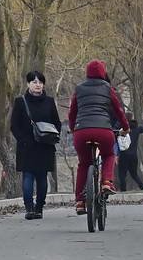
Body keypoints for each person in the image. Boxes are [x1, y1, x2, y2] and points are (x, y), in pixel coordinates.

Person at [68, 60, 129, 215]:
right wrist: (126, 127)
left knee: (84, 164)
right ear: (103, 72)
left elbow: (72, 112)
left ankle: (80, 201)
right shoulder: (107, 88)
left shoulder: (79, 89)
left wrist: (73, 129)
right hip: (103, 130)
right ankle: (107, 182)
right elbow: (119, 110)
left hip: (82, 131)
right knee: (109, 154)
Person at [9, 71, 61, 220]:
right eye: (34, 82)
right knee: (28, 177)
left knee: (42, 177)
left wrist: (53, 137)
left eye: (40, 82)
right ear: (28, 84)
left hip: (45, 145)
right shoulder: (21, 101)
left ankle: (39, 208)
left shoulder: (49, 101)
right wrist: (22, 140)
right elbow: (14, 125)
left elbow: (56, 123)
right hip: (27, 146)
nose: (38, 85)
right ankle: (29, 208)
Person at [116, 112, 143, 191]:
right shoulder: (137, 129)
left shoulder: (121, 129)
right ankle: (142, 187)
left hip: (123, 155)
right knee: (134, 174)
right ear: (132, 118)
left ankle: (123, 190)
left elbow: (114, 132)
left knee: (122, 174)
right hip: (133, 155)